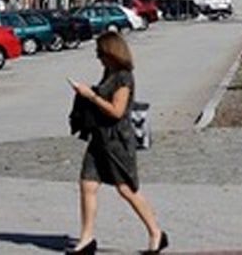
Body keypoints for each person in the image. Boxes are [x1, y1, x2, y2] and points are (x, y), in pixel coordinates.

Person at [67, 31, 167, 255]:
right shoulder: (109, 72)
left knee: (126, 189)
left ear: (111, 53)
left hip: (117, 141)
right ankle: (86, 239)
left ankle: (156, 233)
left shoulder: (124, 77)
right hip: (99, 138)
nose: (98, 57)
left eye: (100, 53)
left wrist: (90, 96)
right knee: (87, 184)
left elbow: (117, 111)